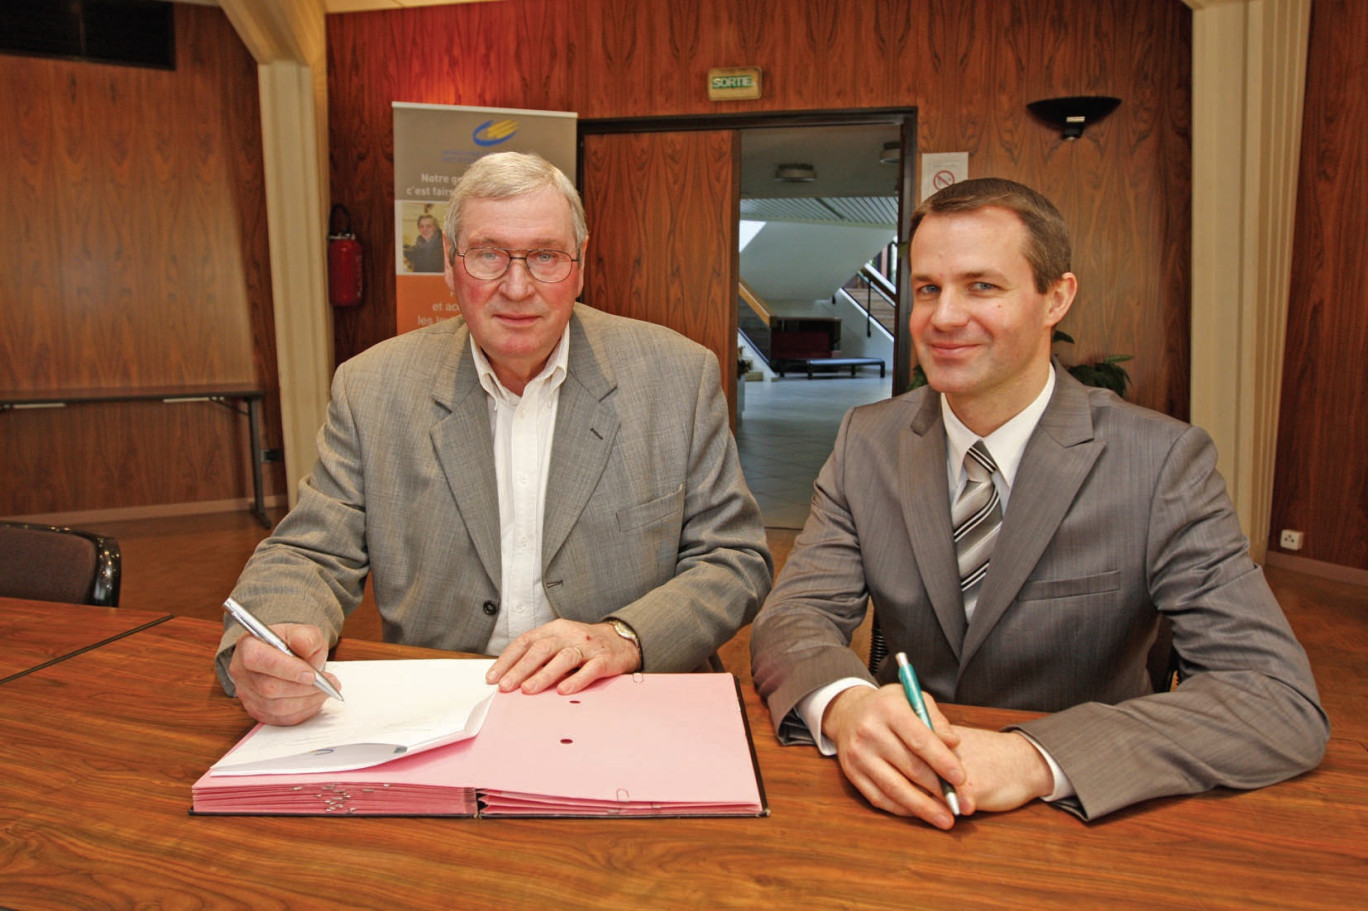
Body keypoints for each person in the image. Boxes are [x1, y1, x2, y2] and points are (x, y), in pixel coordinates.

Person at [750, 177, 1328, 829]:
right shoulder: (868, 441)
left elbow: (1274, 699)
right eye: (928, 289)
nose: (942, 317)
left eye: (982, 286)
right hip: (903, 802)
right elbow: (792, 615)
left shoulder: (1161, 463)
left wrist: (1034, 757)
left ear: (1057, 298)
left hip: (1083, 815)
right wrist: (848, 703)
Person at [219, 151, 772, 726]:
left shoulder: (677, 377)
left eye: (545, 256)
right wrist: (274, 635)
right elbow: (310, 551)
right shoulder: (371, 388)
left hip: (627, 698)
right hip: (440, 708)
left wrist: (624, 636)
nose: (516, 286)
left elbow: (733, 559)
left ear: (580, 267)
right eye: (487, 255)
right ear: (450, 269)